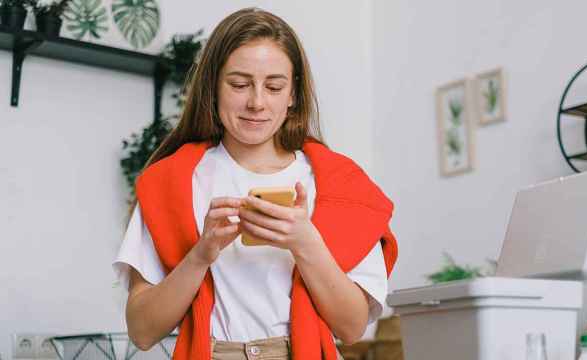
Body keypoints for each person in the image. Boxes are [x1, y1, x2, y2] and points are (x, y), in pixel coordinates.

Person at [112, 7, 398, 360]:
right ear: (213, 88)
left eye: (274, 86)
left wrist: (306, 243)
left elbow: (352, 328)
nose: (257, 102)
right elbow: (141, 331)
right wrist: (200, 254)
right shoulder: (171, 183)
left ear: (293, 94)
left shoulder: (342, 186)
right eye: (239, 84)